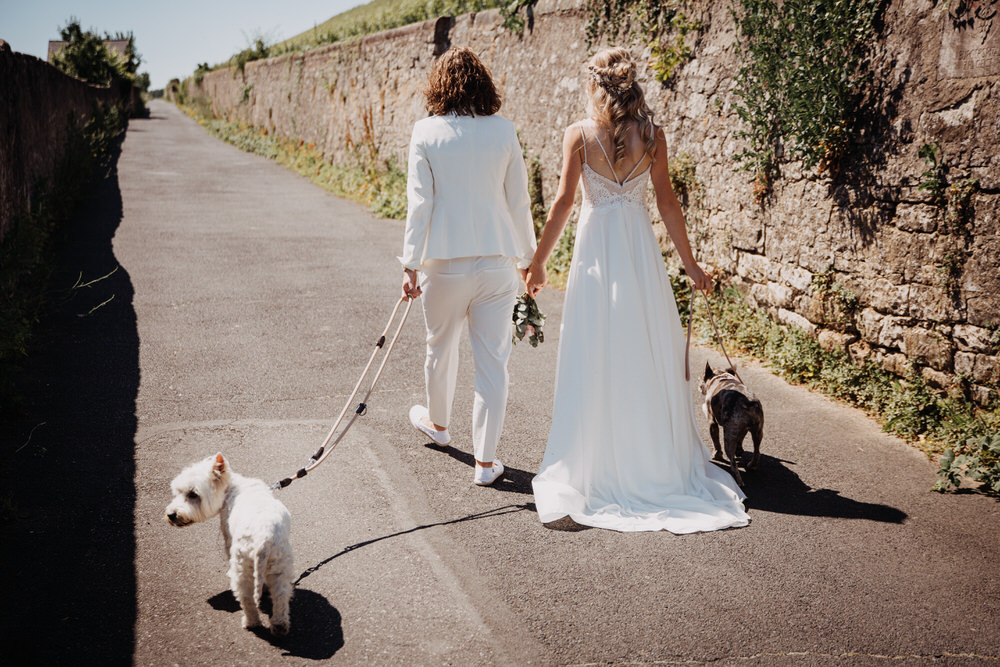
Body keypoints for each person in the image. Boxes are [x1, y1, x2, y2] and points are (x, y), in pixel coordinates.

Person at [525, 47, 750, 532]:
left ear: (594, 85)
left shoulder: (580, 136)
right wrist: (690, 266)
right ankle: (650, 458)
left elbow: (562, 204)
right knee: (643, 350)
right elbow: (668, 204)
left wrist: (539, 263)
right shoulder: (653, 135)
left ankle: (599, 459)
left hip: (595, 257)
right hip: (639, 255)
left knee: (597, 350)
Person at [400, 46, 537, 486]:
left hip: (443, 263)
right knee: (493, 363)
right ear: (484, 84)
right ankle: (485, 463)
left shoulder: (425, 132)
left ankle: (439, 427)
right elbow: (519, 201)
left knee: (439, 346)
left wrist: (410, 263)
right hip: (497, 263)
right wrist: (529, 259)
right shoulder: (504, 131)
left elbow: (420, 204)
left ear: (438, 85)